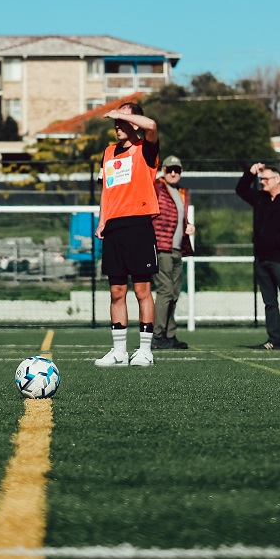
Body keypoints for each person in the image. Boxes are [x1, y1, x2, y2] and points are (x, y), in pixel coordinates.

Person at [94, 102, 162, 367]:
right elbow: (106, 190)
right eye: (116, 121)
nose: (117, 125)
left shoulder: (146, 149)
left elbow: (153, 126)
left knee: (142, 290)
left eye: (123, 119)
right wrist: (102, 221)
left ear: (136, 122)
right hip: (114, 228)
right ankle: (119, 351)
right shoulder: (109, 152)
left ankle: (145, 350)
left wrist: (121, 113)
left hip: (139, 226)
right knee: (116, 291)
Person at [235, 163, 280, 350]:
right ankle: (274, 338)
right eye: (261, 179)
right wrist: (250, 172)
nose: (262, 182)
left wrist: (276, 242)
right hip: (262, 259)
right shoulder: (260, 199)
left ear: (277, 179)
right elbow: (241, 189)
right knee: (269, 302)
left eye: (266, 179)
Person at [152, 154, 195, 350]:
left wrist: (189, 226)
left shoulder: (182, 192)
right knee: (165, 292)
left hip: (178, 248)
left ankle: (170, 335)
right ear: (163, 170)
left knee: (175, 294)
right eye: (169, 169)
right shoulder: (156, 187)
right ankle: (157, 335)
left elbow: (180, 219)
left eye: (176, 170)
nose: (173, 173)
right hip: (162, 247)